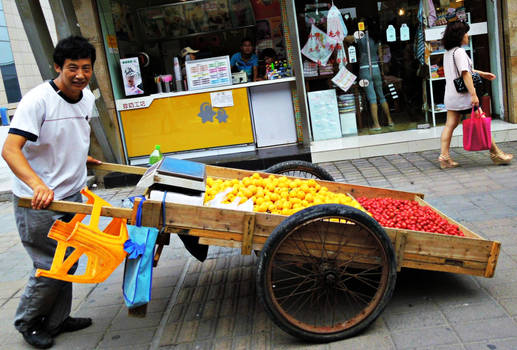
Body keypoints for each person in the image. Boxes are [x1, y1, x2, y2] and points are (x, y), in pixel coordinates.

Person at [1, 36, 102, 349]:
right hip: (39, 202)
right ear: (58, 67)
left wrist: (77, 156)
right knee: (49, 264)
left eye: (86, 68)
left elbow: (64, 134)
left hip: (70, 196)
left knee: (68, 261)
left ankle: (57, 319)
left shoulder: (86, 98)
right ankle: (28, 322)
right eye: (72, 68)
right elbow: (11, 149)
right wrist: (37, 185)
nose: (80, 75)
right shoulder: (38, 100)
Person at [439, 21, 512, 168]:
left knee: (450, 125)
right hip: (463, 97)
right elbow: (465, 74)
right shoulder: (459, 52)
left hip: (451, 96)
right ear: (460, 36)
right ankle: (496, 154)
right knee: (481, 121)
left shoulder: (448, 53)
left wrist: (482, 74)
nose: (467, 35)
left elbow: (464, 71)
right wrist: (473, 95)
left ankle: (444, 157)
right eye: (465, 32)